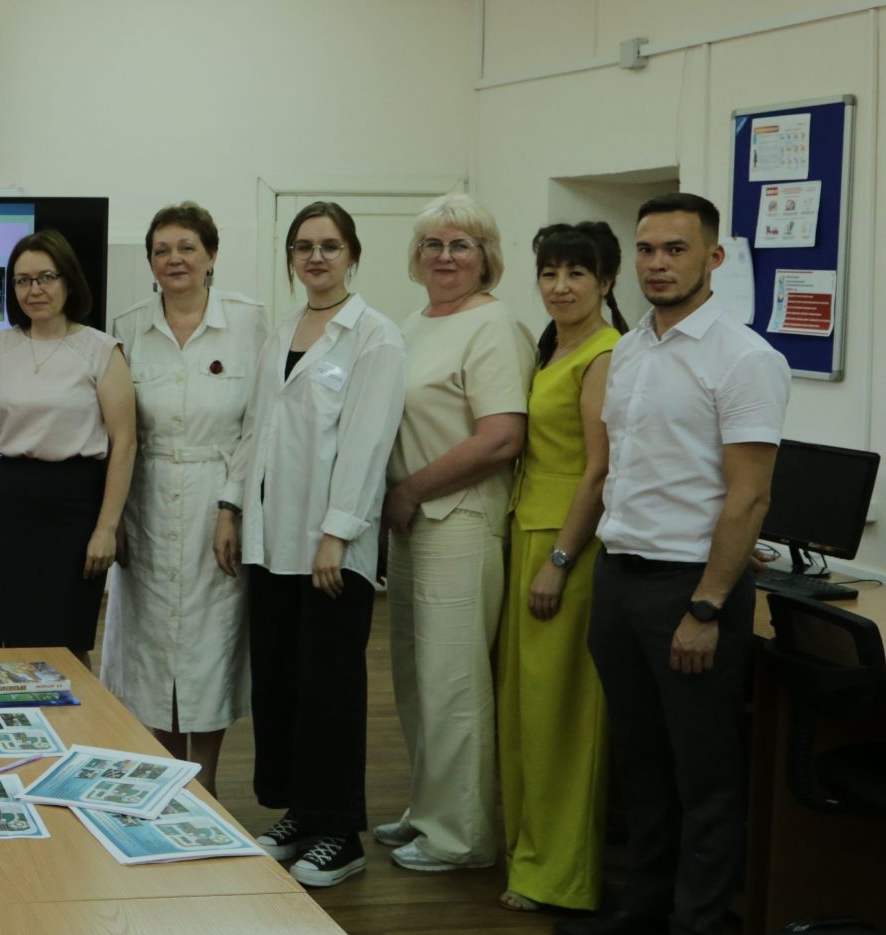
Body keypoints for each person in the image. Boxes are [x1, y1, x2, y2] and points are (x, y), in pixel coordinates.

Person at [556, 194, 789, 935]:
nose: (659, 263)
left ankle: (696, 923)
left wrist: (708, 605)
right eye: (648, 249)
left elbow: (749, 498)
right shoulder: (629, 350)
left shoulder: (746, 358)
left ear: (713, 258)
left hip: (688, 589)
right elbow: (624, 469)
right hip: (620, 579)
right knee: (642, 767)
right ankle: (642, 910)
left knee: (705, 779)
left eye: (676, 250)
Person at [227, 201, 406, 888]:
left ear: (352, 254)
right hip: (272, 543)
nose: (316, 258)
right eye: (303, 247)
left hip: (333, 550)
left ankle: (342, 830)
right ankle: (300, 812)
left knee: (330, 687)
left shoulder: (375, 338)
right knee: (282, 682)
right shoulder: (282, 332)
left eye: (329, 246)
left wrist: (337, 532)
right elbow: (257, 431)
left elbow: (367, 444)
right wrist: (231, 506)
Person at [378, 192, 534, 872]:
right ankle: (427, 809)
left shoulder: (493, 326)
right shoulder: (416, 321)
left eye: (460, 245)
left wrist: (411, 488)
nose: (445, 257)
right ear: (416, 257)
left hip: (459, 520)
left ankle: (461, 835)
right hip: (412, 524)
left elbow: (502, 437)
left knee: (455, 684)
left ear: (486, 257)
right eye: (434, 245)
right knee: (416, 680)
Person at [99, 202, 263, 794]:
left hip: (217, 505)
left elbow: (256, 428)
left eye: (187, 248)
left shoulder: (251, 324)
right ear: (149, 261)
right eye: (163, 250)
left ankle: (207, 788)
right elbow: (116, 431)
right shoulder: (129, 326)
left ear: (212, 256)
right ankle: (165, 782)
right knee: (148, 646)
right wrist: (111, 516)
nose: (175, 259)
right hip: (145, 502)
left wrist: (233, 506)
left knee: (209, 645)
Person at [495, 222, 627, 915]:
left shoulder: (604, 353)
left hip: (565, 543)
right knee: (522, 711)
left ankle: (560, 874)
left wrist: (559, 559)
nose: (561, 285)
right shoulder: (555, 345)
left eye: (578, 273)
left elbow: (599, 469)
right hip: (527, 527)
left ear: (606, 282)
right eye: (550, 272)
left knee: (561, 718)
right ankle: (524, 847)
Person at [0, 230, 137, 667]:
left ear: (68, 282)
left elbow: (125, 442)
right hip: (15, 501)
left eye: (45, 277)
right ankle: (15, 731)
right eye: (22, 280)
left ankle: (71, 730)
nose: (34, 290)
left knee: (67, 640)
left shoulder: (100, 349)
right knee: (10, 635)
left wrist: (106, 527)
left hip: (75, 506)